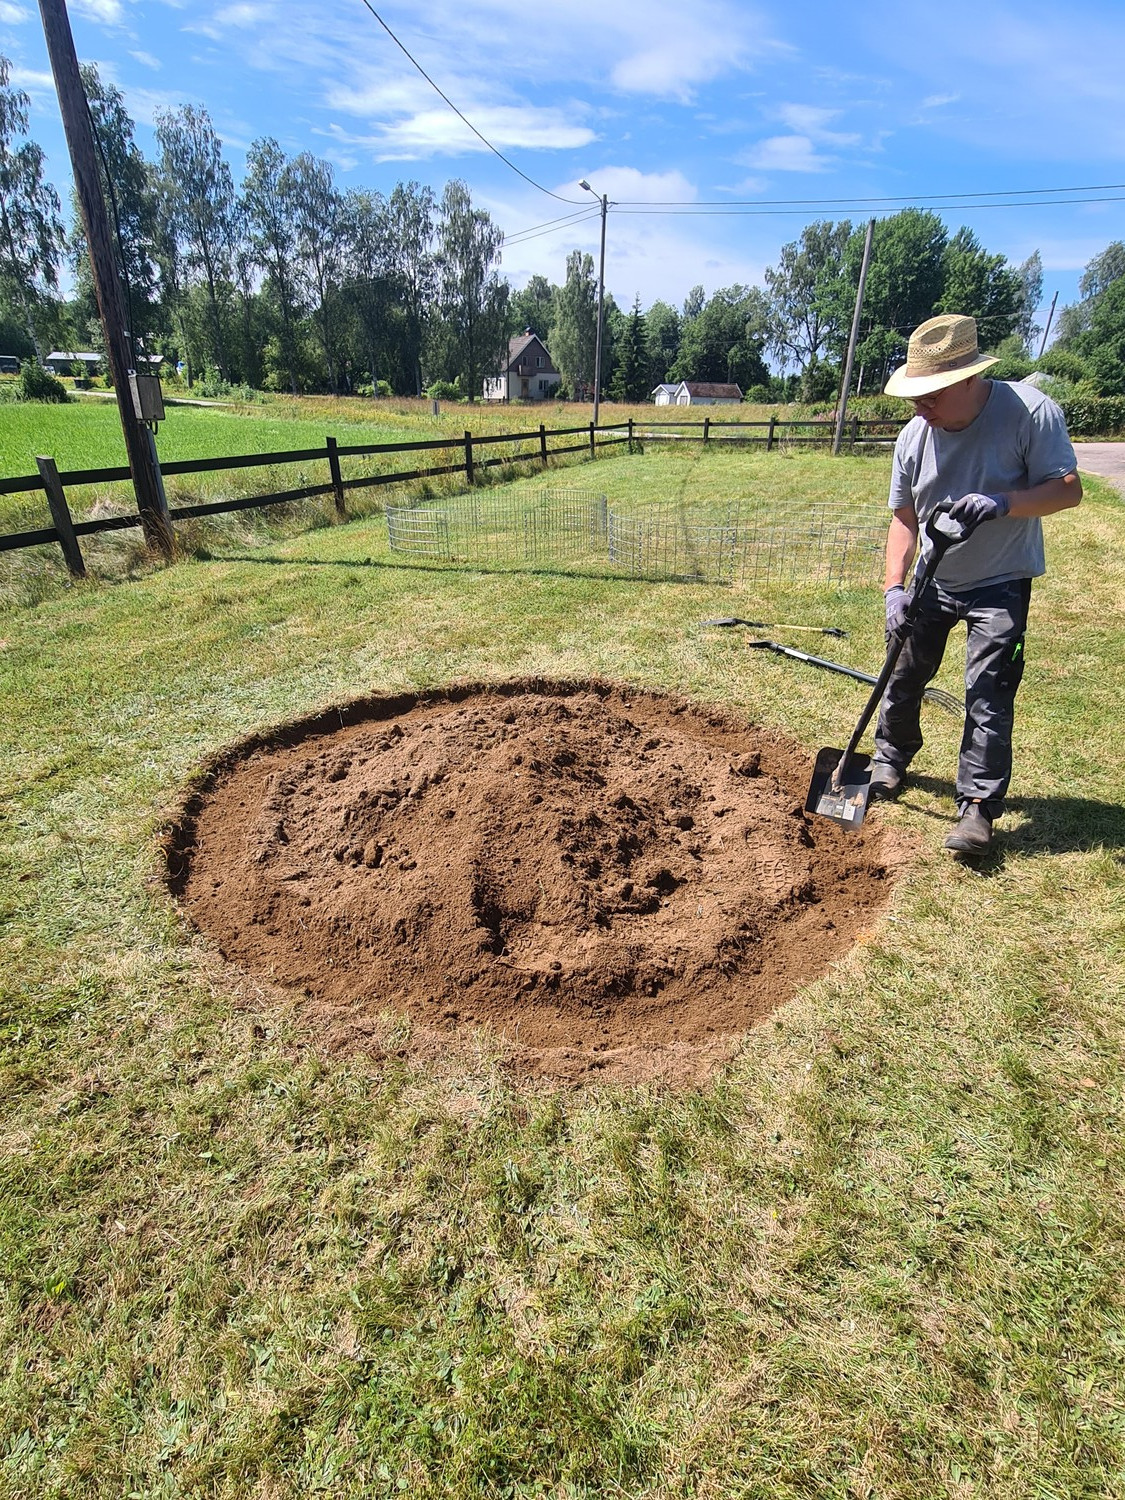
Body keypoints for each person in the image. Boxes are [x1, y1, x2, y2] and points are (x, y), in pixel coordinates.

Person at [870, 313, 1082, 854]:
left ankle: (977, 808)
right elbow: (903, 518)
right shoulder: (913, 437)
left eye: (931, 395)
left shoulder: (1029, 413)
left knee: (989, 690)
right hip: (933, 577)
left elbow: (1068, 490)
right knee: (902, 672)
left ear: (968, 379)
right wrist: (895, 588)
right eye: (914, 396)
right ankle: (889, 758)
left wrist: (1002, 503)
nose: (920, 407)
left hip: (1001, 579)